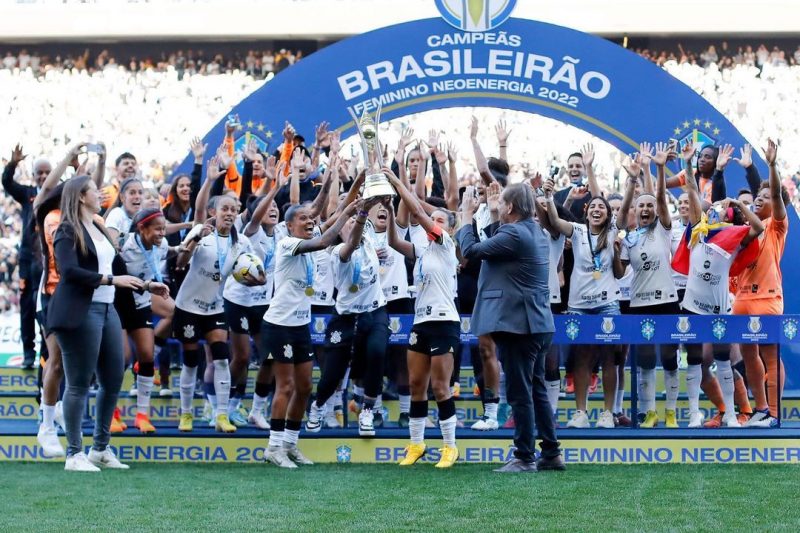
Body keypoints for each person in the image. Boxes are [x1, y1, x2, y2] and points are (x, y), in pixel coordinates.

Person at [49, 175, 165, 471]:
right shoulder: (66, 229)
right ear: (79, 197)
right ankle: (74, 453)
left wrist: (145, 285)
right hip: (81, 309)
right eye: (93, 191)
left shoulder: (100, 226)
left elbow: (118, 267)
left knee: (113, 377)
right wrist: (113, 280)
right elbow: (69, 271)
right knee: (77, 383)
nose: (100, 194)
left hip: (108, 307)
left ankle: (100, 448)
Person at [458, 182, 562, 473]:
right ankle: (551, 453)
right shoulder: (532, 231)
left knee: (520, 393)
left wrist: (467, 216)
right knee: (536, 389)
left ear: (512, 208)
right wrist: (493, 216)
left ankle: (524, 456)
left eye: (501, 203)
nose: (498, 206)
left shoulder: (515, 233)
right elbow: (499, 247)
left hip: (519, 326)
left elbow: (471, 250)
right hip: (536, 324)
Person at [671, 142, 763, 428]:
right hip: (693, 305)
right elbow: (693, 193)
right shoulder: (698, 229)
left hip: (720, 307)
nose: (716, 210)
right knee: (695, 359)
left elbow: (758, 228)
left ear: (728, 216)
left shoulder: (734, 237)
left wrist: (736, 204)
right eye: (714, 207)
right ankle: (694, 413)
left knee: (724, 360)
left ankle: (733, 414)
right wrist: (688, 164)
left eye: (721, 209)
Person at [261, 195, 357, 468]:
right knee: (286, 386)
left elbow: (325, 234)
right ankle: (273, 447)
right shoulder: (287, 243)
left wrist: (345, 205)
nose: (309, 221)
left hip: (299, 325)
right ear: (289, 226)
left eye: (311, 218)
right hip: (278, 325)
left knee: (304, 387)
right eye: (302, 218)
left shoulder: (311, 246)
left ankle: (290, 444)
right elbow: (325, 240)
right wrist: (347, 209)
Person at [383, 168, 460, 469]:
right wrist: (390, 210)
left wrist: (397, 183)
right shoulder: (423, 251)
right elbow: (392, 242)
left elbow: (416, 209)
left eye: (440, 220)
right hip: (420, 323)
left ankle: (449, 447)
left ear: (448, 229)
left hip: (444, 321)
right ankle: (416, 444)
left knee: (440, 387)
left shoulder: (446, 246)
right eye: (434, 218)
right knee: (417, 384)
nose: (434, 222)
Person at [173, 157, 253, 434]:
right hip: (187, 306)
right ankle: (185, 414)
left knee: (220, 357)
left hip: (215, 308)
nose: (230, 213)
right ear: (214, 212)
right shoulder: (201, 232)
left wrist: (254, 278)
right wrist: (192, 240)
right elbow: (181, 264)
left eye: (234, 209)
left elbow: (250, 273)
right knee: (191, 361)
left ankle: (221, 415)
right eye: (225, 209)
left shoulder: (241, 242)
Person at [305, 196, 387, 437]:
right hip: (346, 317)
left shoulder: (369, 238)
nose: (353, 225)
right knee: (333, 373)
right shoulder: (339, 252)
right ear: (339, 233)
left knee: (377, 353)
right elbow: (351, 242)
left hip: (375, 310)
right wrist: (360, 215)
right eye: (347, 223)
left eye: (356, 221)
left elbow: (365, 210)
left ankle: (367, 412)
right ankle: (318, 406)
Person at [616, 143, 681, 428]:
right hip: (638, 302)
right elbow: (620, 273)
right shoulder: (629, 238)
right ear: (634, 211)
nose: (645, 208)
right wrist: (614, 252)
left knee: (668, 356)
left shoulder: (664, 229)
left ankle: (670, 412)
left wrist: (658, 166)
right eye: (640, 205)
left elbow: (661, 199)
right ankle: (650, 411)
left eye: (649, 205)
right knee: (643, 358)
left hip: (666, 301)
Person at [735, 139, 789, 427]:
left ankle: (776, 414)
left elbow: (778, 194)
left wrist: (770, 165)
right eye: (758, 194)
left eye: (766, 197)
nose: (760, 198)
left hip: (767, 300)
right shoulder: (744, 228)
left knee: (770, 354)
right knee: (748, 355)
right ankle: (760, 409)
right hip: (741, 300)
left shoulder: (777, 225)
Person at [117, 208, 178, 433]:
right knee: (121, 358)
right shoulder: (124, 244)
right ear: (141, 228)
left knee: (145, 356)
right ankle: (113, 413)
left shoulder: (161, 245)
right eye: (158, 229)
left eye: (164, 229)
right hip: (117, 305)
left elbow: (168, 251)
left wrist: (188, 243)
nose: (162, 233)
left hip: (141, 304)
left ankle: (142, 415)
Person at [2, 144, 52, 369]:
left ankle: (47, 352)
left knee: (44, 304)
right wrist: (12, 164)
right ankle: (28, 352)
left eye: (46, 172)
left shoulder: (60, 194)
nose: (43, 176)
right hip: (27, 259)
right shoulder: (28, 194)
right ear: (33, 176)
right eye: (39, 173)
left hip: (50, 258)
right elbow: (7, 183)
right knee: (26, 305)